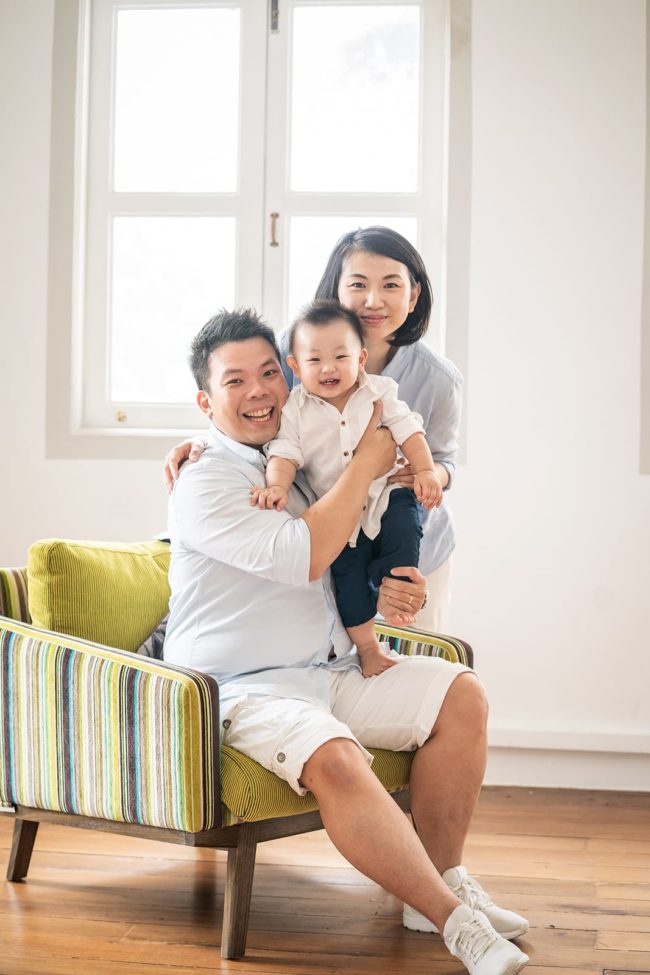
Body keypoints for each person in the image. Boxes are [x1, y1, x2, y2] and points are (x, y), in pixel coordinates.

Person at [164, 308, 529, 975]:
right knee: (333, 753)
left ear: (293, 374)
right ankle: (459, 926)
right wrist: (368, 460)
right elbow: (305, 553)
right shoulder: (206, 479)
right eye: (235, 380)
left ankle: (439, 886)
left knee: (461, 694)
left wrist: (396, 583)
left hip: (325, 667)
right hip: (236, 686)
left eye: (269, 372)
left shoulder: (298, 446)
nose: (258, 391)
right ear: (205, 400)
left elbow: (384, 505)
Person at [164, 226, 461, 632]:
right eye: (358, 284)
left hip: (411, 547)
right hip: (333, 539)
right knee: (347, 660)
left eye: (391, 285)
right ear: (335, 290)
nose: (373, 300)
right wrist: (205, 439)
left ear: (413, 295)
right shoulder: (294, 349)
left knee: (412, 662)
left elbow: (446, 460)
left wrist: (428, 473)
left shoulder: (437, 379)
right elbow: (260, 411)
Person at [253, 298, 440, 678]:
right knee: (348, 585)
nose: (328, 368)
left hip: (386, 496)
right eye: (315, 360)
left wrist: (426, 471)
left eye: (341, 357)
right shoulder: (294, 411)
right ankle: (369, 649)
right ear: (295, 365)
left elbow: (409, 431)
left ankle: (396, 594)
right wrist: (276, 486)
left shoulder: (380, 392)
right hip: (342, 519)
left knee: (404, 532)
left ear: (360, 358)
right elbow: (284, 454)